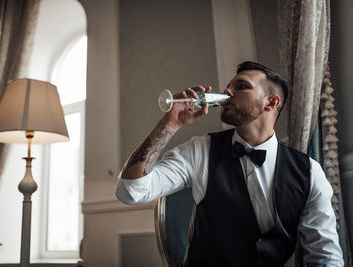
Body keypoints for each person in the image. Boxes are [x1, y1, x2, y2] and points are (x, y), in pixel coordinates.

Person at [115, 61, 343, 266]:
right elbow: (131, 191)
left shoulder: (309, 172)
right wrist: (169, 124)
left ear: (271, 102)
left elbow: (325, 256)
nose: (226, 92)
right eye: (228, 86)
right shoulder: (200, 150)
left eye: (241, 86)